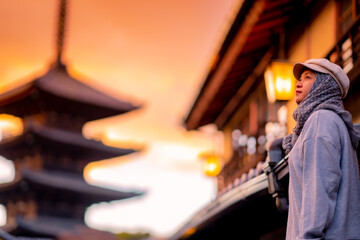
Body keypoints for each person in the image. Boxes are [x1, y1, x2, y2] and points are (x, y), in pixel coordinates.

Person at [282, 58, 360, 240]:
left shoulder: (320, 121)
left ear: (324, 85)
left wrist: (308, 236)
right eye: (299, 78)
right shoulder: (332, 121)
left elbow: (319, 191)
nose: (299, 83)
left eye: (308, 77)